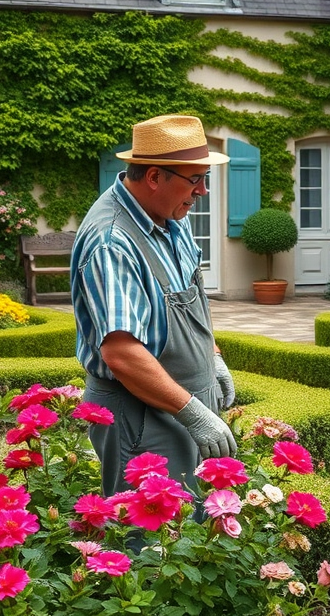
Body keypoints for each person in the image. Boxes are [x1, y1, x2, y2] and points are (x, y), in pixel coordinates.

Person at [71, 114, 238, 499]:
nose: (203, 191)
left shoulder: (169, 217)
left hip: (178, 406)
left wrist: (212, 358)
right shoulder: (111, 241)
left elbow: (189, 300)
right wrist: (194, 413)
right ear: (153, 177)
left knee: (195, 535)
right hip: (142, 417)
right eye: (194, 179)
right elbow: (121, 353)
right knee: (149, 547)